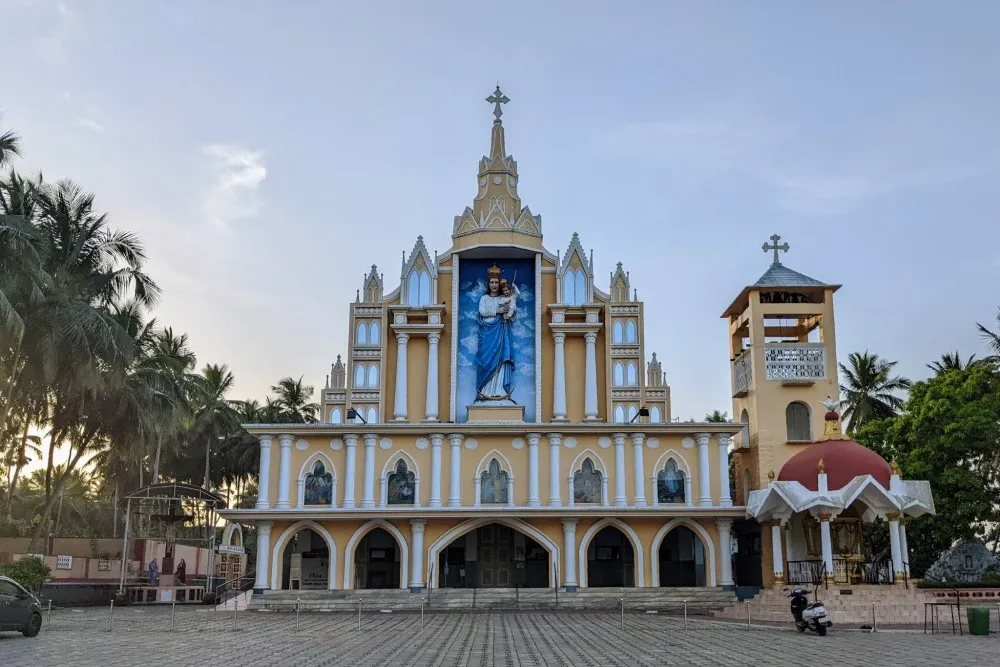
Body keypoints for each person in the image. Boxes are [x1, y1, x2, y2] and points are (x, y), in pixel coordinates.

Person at [476, 264, 519, 401]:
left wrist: (509, 307)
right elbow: (482, 312)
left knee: (500, 358)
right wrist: (497, 311)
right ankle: (485, 389)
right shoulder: (484, 299)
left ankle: (499, 390)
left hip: (500, 332)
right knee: (485, 360)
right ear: (488, 284)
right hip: (487, 334)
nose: (494, 285)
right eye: (491, 282)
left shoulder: (502, 298)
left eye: (496, 282)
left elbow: (511, 307)